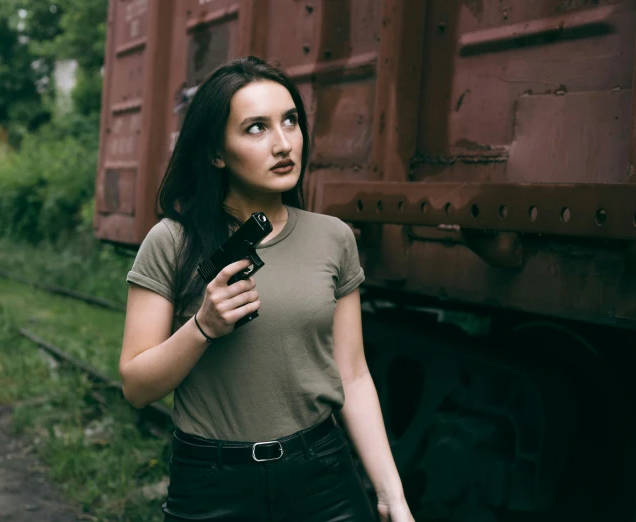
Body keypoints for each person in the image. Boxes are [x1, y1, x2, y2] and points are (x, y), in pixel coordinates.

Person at [119, 55, 415, 522]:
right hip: (213, 485)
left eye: (291, 121)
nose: (283, 144)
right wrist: (202, 327)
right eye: (256, 128)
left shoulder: (332, 237)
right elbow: (136, 387)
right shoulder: (173, 242)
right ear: (217, 152)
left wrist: (392, 495)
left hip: (322, 478)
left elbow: (353, 375)